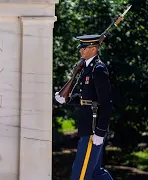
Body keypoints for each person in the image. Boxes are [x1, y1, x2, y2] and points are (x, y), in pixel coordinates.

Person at [55, 34, 114, 180]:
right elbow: (86, 99)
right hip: (87, 126)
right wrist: (66, 99)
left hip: (92, 129)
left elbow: (106, 103)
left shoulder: (98, 69)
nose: (80, 51)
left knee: (80, 174)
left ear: (93, 49)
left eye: (83, 48)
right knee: (96, 173)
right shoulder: (87, 68)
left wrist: (100, 132)